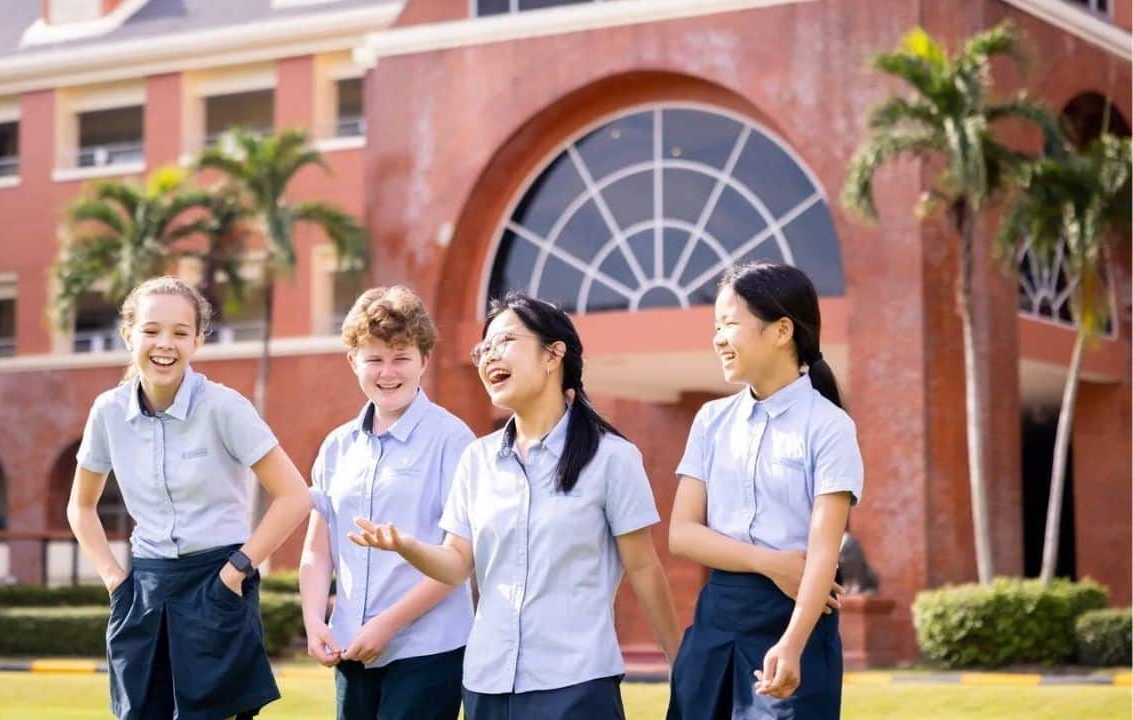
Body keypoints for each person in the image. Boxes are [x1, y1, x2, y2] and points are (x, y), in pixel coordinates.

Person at [351, 292, 680, 720]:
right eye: (484, 347)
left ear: (553, 354)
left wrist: (680, 660)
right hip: (487, 684)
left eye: (504, 341)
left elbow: (643, 567)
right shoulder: (477, 459)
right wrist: (407, 545)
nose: (490, 356)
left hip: (576, 684)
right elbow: (456, 564)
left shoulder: (612, 458)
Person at [67, 276, 313, 720]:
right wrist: (114, 580)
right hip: (142, 590)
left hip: (217, 583)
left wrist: (237, 569)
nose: (166, 344)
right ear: (128, 335)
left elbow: (295, 496)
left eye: (180, 332)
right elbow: (80, 506)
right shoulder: (107, 412)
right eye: (151, 330)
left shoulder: (225, 407)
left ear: (198, 339)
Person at [665, 262, 863, 719]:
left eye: (729, 323)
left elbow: (823, 552)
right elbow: (682, 533)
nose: (718, 338)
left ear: (781, 330)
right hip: (716, 622)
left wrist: (792, 645)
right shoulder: (711, 422)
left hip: (794, 623)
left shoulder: (829, 427)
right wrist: (769, 563)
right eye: (715, 326)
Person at [300, 285, 476, 720]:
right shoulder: (337, 446)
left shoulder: (454, 442)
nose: (387, 372)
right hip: (351, 647)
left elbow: (461, 560)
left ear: (424, 360)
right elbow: (318, 548)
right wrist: (313, 620)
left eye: (401, 357)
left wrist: (388, 625)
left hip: (427, 650)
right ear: (353, 361)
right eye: (374, 358)